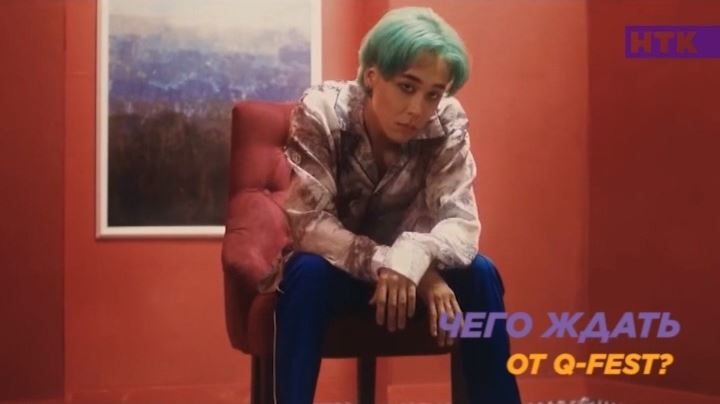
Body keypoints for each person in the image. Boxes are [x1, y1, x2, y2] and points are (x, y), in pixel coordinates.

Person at [273, 7, 521, 404]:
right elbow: (310, 226)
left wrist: (413, 259)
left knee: (481, 273)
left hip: (415, 273)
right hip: (338, 273)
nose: (418, 109)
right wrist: (408, 270)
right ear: (373, 76)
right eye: (407, 87)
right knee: (305, 272)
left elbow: (461, 223)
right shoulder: (322, 111)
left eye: (433, 94)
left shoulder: (447, 121)